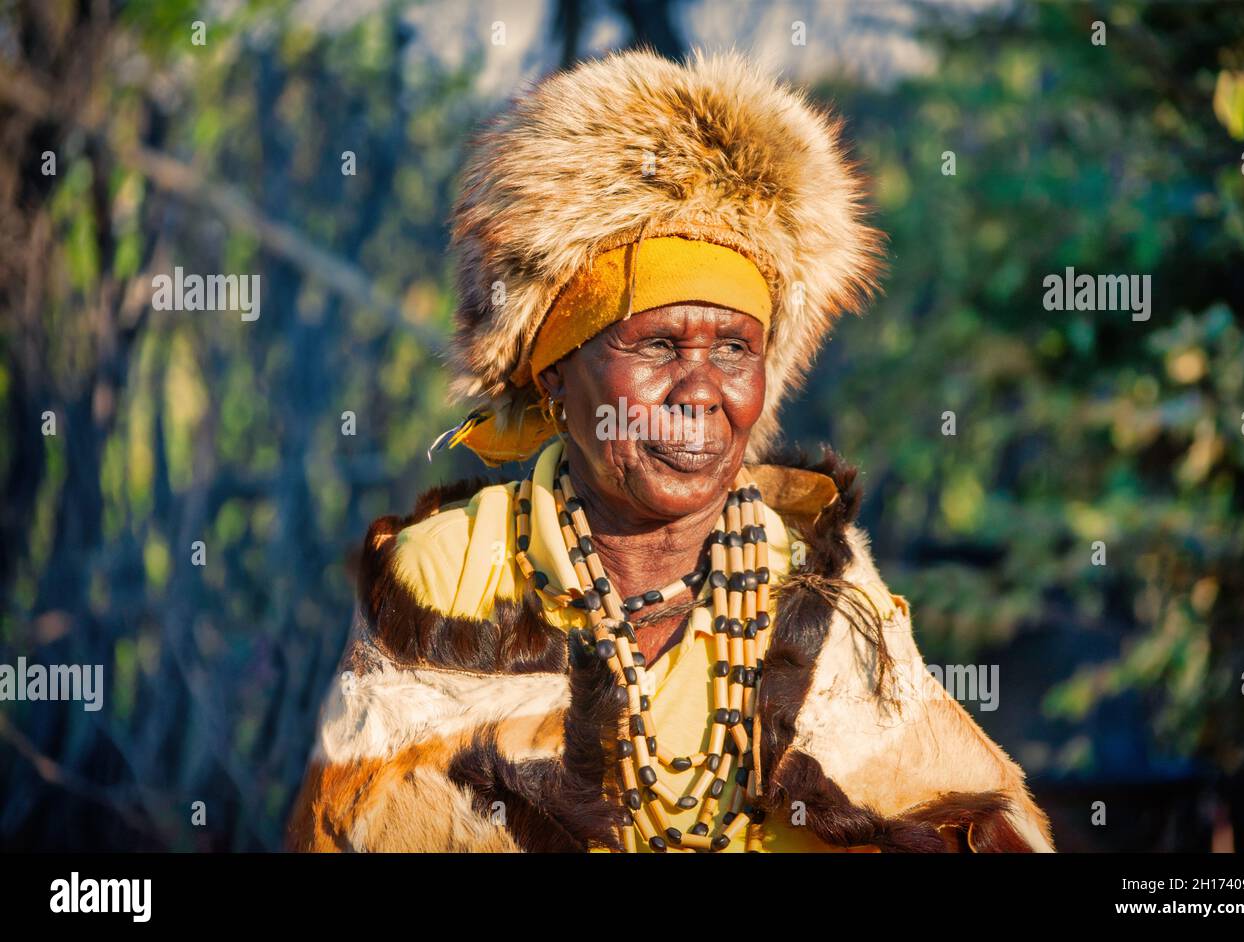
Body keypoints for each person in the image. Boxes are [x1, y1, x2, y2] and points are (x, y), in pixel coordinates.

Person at [287, 49, 1053, 852]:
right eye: (656, 345)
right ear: (555, 375)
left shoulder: (817, 593)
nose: (700, 392)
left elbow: (971, 822)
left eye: (733, 349)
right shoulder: (447, 575)